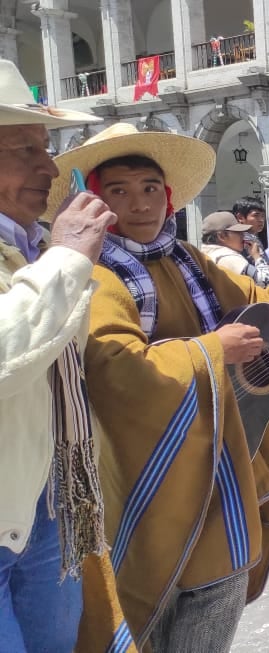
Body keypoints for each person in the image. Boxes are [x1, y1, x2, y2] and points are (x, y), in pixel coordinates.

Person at [50, 123, 269, 651]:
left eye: (151, 188)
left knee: (223, 578)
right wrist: (212, 350)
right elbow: (117, 370)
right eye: (120, 191)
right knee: (158, 596)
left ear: (169, 196)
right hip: (146, 472)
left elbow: (259, 296)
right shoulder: (96, 274)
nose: (140, 204)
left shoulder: (186, 259)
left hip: (218, 455)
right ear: (95, 200)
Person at [0, 59, 118, 653]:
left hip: (45, 505)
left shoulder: (26, 246)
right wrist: (67, 261)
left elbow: (57, 353)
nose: (49, 167)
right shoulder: (47, 255)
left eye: (45, 147)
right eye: (25, 149)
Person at [199, 210, 269, 286]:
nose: (243, 236)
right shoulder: (228, 258)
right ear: (222, 236)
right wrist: (257, 257)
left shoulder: (205, 253)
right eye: (238, 232)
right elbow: (267, 282)